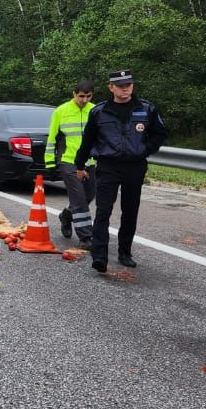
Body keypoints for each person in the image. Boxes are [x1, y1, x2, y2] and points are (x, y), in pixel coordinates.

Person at [73, 70, 169, 273]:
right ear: (111, 87)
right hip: (108, 166)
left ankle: (125, 252)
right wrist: (79, 164)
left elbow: (160, 133)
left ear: (132, 86)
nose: (125, 89)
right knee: (103, 210)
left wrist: (145, 149)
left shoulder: (146, 109)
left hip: (135, 166)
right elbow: (88, 140)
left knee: (130, 210)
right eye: (120, 85)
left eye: (128, 85)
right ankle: (99, 256)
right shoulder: (99, 111)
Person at [44, 78, 97, 248]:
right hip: (68, 161)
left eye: (88, 96)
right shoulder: (61, 111)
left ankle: (66, 216)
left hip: (90, 162)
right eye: (81, 96)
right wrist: (50, 164)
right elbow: (51, 139)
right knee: (79, 198)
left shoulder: (96, 110)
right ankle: (86, 236)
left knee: (89, 195)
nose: (84, 100)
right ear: (74, 94)